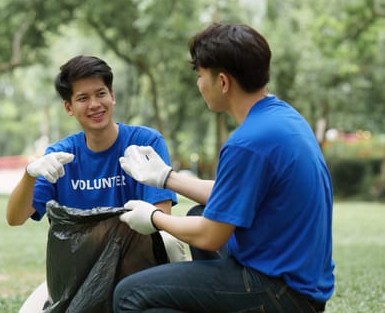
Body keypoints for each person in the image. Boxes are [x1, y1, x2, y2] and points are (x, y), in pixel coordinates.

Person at [113, 23, 335, 312]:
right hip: (302, 284)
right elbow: (229, 195)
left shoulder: (248, 142)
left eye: (200, 75)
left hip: (281, 292)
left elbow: (210, 235)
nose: (199, 84)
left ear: (223, 82)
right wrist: (166, 178)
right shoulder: (281, 117)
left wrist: (154, 217)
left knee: (129, 294)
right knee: (199, 212)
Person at [6, 55, 182, 312]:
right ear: (69, 107)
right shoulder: (61, 155)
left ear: (112, 95)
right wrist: (30, 175)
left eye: (100, 93)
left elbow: (162, 217)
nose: (95, 104)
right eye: (83, 98)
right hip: (80, 269)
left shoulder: (146, 143)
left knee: (167, 240)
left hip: (137, 262)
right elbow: (15, 218)